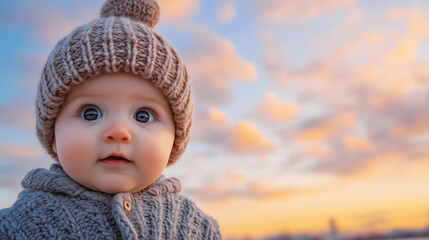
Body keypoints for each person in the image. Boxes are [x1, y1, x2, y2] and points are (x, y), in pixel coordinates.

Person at [0, 0, 221, 239]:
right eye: (90, 113)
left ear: (175, 140)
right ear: (53, 136)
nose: (118, 131)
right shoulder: (19, 225)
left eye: (143, 115)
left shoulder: (196, 227)